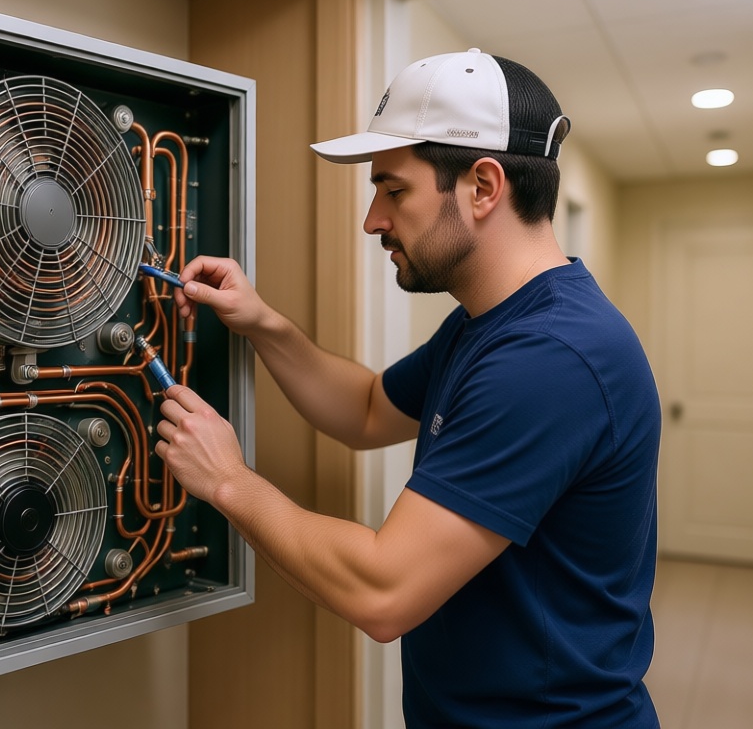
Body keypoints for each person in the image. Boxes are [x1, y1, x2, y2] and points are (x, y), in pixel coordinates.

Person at [154, 48, 661, 728]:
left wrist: (228, 482)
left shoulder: (550, 359)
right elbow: (366, 411)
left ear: (483, 187)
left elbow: (383, 592)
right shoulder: (489, 326)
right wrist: (262, 323)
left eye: (393, 190)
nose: (372, 221)